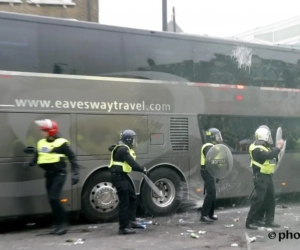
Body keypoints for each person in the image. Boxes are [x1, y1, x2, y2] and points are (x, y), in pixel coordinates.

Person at [24, 119, 79, 235]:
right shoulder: (41, 143)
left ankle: (63, 224)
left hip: (59, 174)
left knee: (54, 198)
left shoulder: (61, 143)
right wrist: (30, 163)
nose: (41, 132)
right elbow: (37, 156)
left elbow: (72, 157)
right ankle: (58, 223)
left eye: (44, 130)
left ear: (51, 131)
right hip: (49, 175)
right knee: (51, 200)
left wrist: (75, 173)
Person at [108, 129, 148, 235]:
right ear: (128, 139)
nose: (134, 141)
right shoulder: (122, 149)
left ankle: (131, 221)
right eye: (133, 139)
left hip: (123, 176)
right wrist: (142, 169)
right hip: (118, 177)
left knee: (132, 197)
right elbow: (132, 163)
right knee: (124, 202)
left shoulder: (123, 147)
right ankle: (123, 227)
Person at [246, 126, 284, 230]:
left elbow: (272, 158)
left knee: (270, 199)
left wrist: (277, 153)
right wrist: (278, 147)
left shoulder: (265, 147)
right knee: (259, 199)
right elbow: (268, 155)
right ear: (264, 136)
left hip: (267, 176)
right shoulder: (256, 148)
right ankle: (250, 221)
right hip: (260, 176)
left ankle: (268, 220)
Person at [200, 128, 223, 223]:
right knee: (211, 193)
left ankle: (210, 214)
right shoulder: (208, 146)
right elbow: (211, 159)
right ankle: (203, 215)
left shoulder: (213, 146)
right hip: (207, 171)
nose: (219, 138)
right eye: (217, 136)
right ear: (212, 137)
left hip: (211, 171)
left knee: (213, 193)